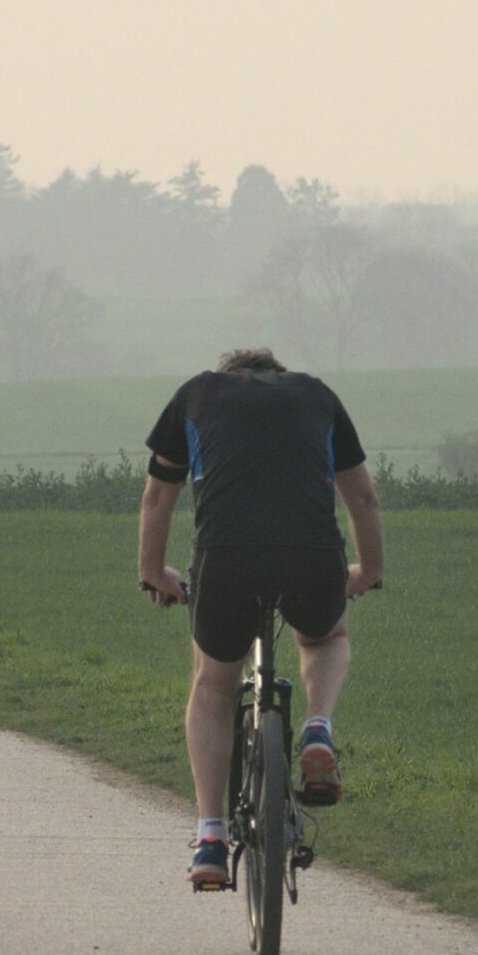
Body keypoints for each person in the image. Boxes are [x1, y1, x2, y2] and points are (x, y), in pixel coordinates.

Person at [137, 347, 384, 889]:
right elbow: (362, 496)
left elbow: (158, 497)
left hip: (225, 559)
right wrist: (368, 571)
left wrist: (154, 572)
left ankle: (209, 837)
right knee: (325, 635)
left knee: (213, 685)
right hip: (311, 557)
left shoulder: (196, 397)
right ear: (277, 374)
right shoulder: (317, 395)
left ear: (230, 379)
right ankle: (318, 727)